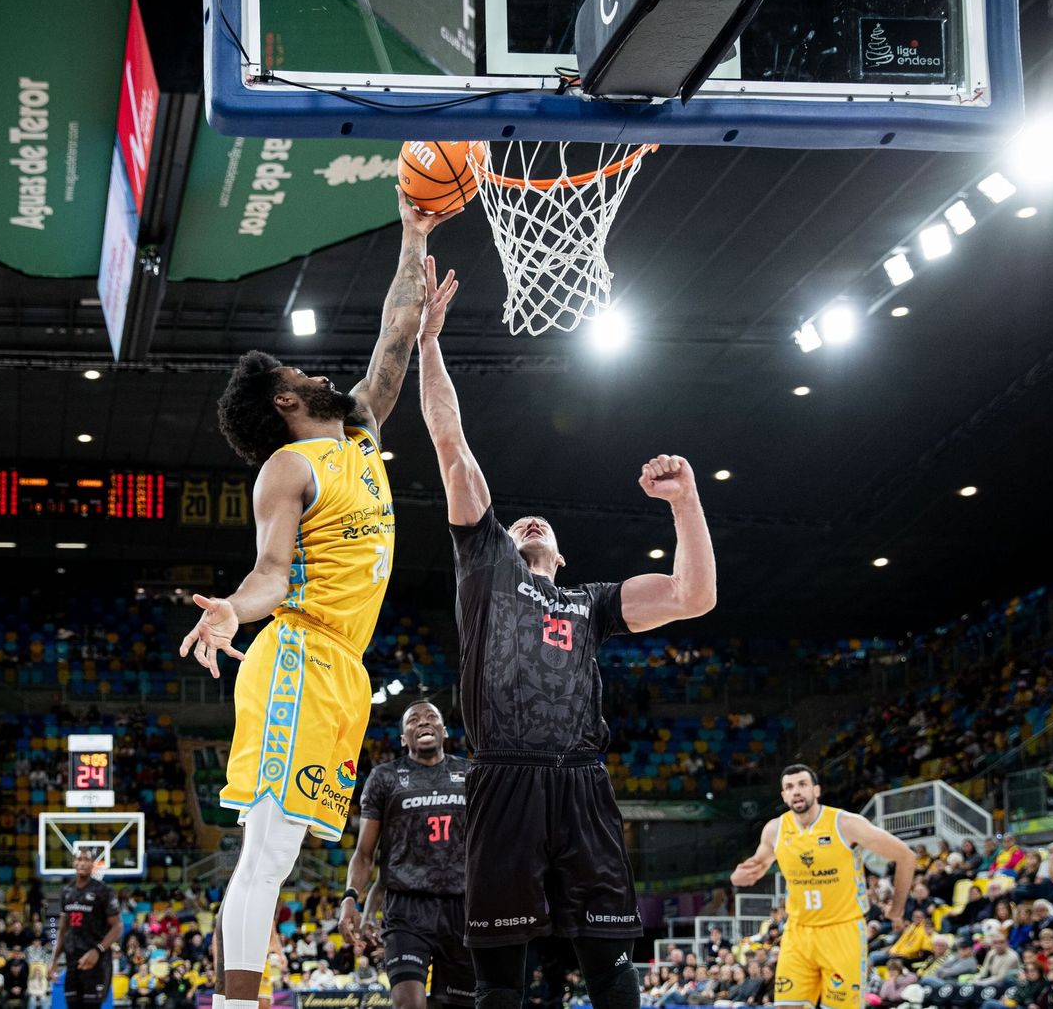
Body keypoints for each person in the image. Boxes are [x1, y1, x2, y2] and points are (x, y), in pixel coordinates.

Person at [180, 191, 457, 1009]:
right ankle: (235, 1004)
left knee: (282, 849)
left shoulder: (361, 432)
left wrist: (414, 231)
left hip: (344, 674)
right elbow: (271, 570)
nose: (318, 375)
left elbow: (395, 336)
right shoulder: (287, 469)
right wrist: (234, 605)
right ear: (283, 403)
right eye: (301, 377)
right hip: (296, 651)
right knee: (265, 851)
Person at [416, 262, 719, 1009]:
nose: (530, 522)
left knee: (611, 968)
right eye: (519, 519)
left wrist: (687, 503)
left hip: (582, 783)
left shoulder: (591, 601)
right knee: (501, 982)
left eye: (540, 525)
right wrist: (428, 344)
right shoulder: (485, 566)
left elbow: (693, 595)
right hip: (503, 777)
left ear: (562, 554)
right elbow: (451, 444)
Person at [731, 766, 917, 1009]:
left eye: (802, 784)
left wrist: (897, 908)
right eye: (789, 787)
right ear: (784, 796)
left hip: (842, 931)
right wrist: (741, 876)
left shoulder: (846, 824)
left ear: (816, 790)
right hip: (798, 932)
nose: (796, 791)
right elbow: (758, 864)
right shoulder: (775, 830)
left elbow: (906, 856)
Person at [340, 700, 475, 1009]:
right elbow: (364, 854)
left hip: (462, 906)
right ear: (403, 738)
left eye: (431, 717)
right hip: (406, 908)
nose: (423, 722)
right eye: (413, 720)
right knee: (409, 1004)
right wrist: (351, 897)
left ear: (443, 730)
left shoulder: (470, 773)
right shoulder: (384, 778)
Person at [51, 849, 122, 1009]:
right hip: (72, 961)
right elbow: (63, 930)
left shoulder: (104, 891)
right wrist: (54, 960)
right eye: (79, 859)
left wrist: (98, 950)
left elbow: (118, 927)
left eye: (86, 859)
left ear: (93, 864)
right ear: (74, 863)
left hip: (96, 961)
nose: (82, 862)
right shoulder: (66, 891)